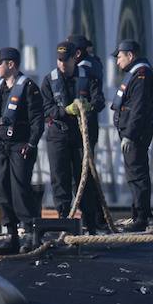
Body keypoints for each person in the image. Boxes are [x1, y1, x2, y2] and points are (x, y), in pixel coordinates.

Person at [0, 46, 43, 253]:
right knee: (3, 190)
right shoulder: (1, 88)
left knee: (20, 188)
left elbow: (37, 120)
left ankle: (31, 234)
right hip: (2, 147)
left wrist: (31, 144)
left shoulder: (28, 87)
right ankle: (11, 235)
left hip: (20, 146)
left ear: (10, 64)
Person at [41, 40, 108, 230]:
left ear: (74, 58)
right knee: (60, 177)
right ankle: (64, 217)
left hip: (80, 136)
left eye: (66, 60)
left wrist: (90, 107)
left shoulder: (88, 77)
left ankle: (90, 221)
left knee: (84, 177)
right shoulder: (49, 81)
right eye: (59, 60)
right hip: (58, 135)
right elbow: (46, 109)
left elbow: (99, 100)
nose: (62, 64)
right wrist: (65, 111)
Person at [111, 39, 153, 231]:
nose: (117, 62)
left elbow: (138, 108)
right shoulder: (135, 73)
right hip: (130, 132)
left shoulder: (141, 75)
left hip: (136, 134)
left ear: (130, 55)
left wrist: (129, 135)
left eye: (120, 57)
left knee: (137, 174)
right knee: (134, 174)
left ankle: (141, 217)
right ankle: (138, 213)